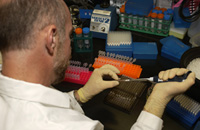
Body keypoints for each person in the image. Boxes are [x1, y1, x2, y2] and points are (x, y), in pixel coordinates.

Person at [0, 0, 195, 130]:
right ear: (52, 39)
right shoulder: (67, 126)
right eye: (69, 36)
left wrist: (80, 95)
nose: (71, 45)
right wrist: (157, 100)